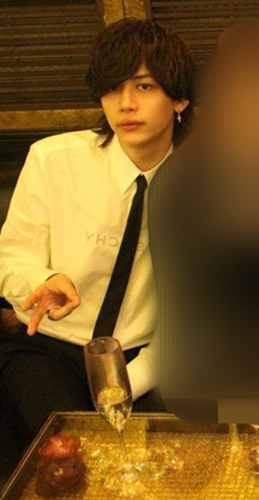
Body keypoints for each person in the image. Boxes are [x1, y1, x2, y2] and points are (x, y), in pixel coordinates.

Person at [0, 18, 195, 481]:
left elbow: (197, 311)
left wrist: (129, 383)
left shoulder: (202, 183)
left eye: (144, 86)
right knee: (69, 455)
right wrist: (42, 280)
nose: (125, 103)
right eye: (112, 88)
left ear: (179, 99)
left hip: (148, 356)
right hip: (51, 347)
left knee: (171, 467)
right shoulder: (53, 160)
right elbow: (10, 258)